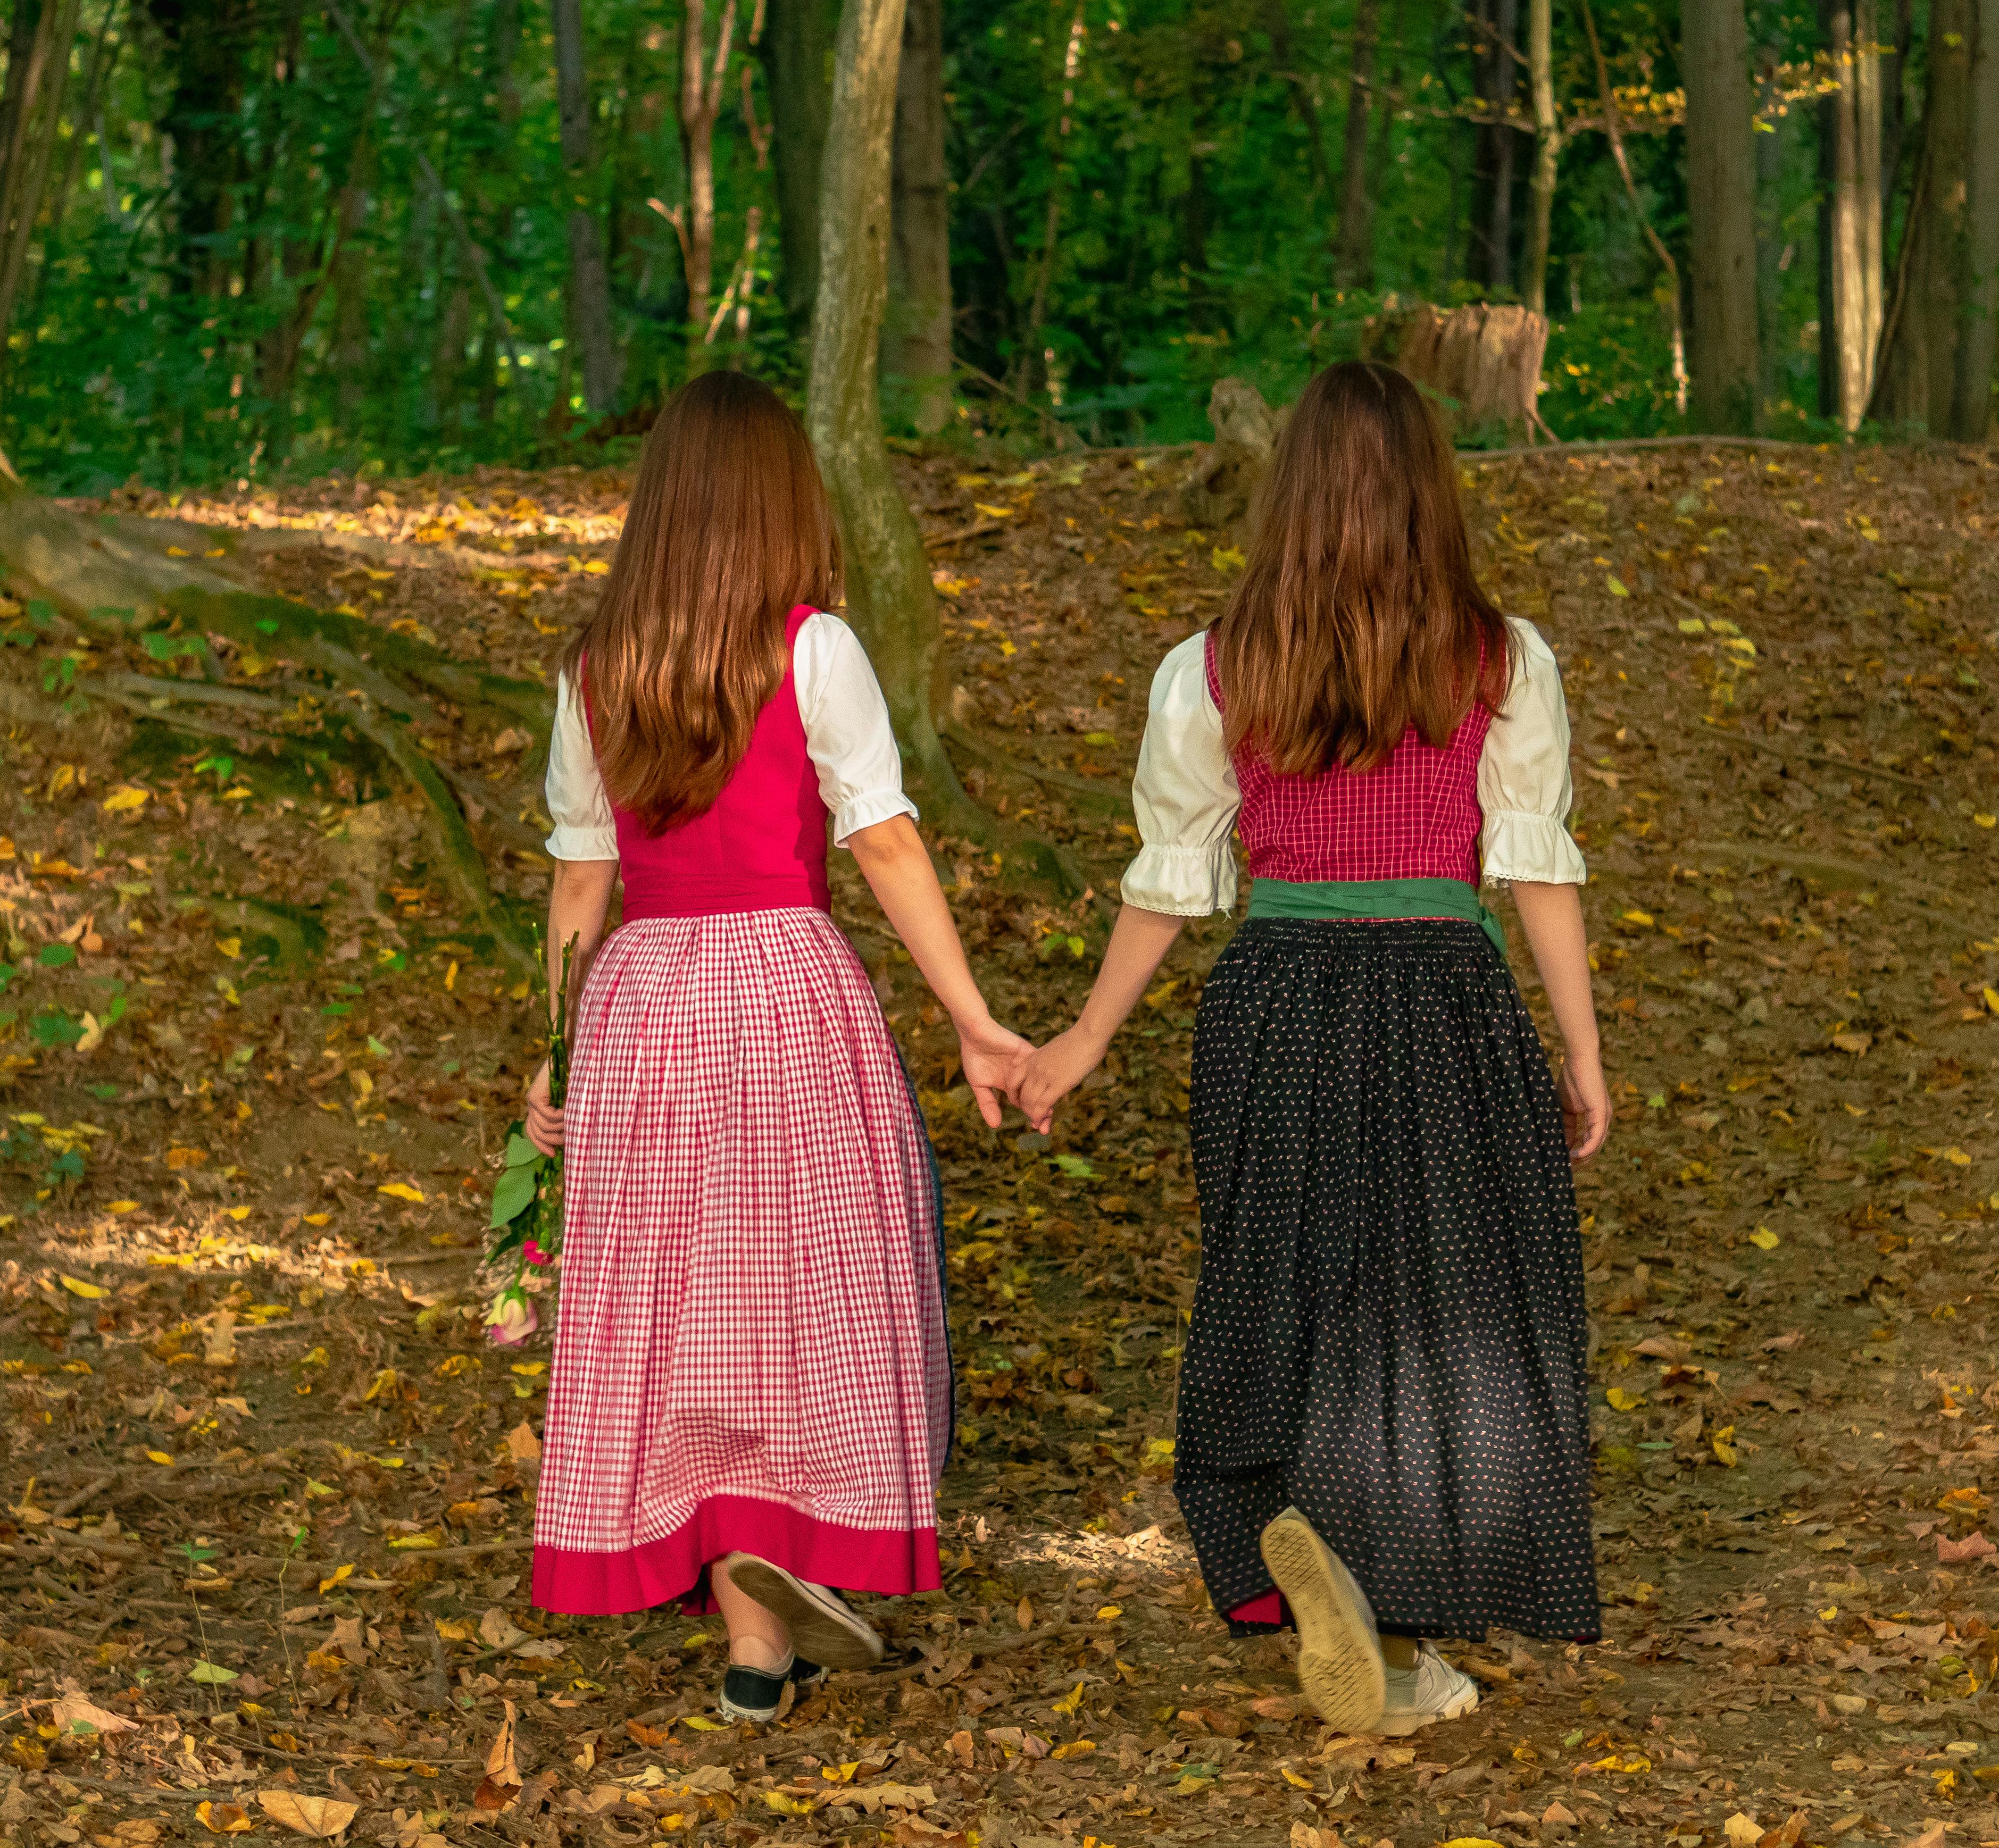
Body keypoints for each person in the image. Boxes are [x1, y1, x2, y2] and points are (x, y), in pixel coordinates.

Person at [1014, 360, 1611, 1738]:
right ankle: (1398, 1592)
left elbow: (1169, 875)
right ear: (1429, 494)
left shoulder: (1219, 663)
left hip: (1275, 994)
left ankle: (1291, 1545)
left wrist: (1084, 1038)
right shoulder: (1496, 658)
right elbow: (1535, 873)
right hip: (1438, 988)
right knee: (1438, 1292)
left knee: (1286, 1280)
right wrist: (1579, 1048)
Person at [520, 370, 1033, 1725]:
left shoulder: (592, 668)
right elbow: (882, 839)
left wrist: (555, 1055)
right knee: (801, 1284)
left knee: (682, 1301)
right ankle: (773, 1585)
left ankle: (755, 1632)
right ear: (778, 499)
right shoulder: (811, 649)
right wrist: (973, 1017)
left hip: (640, 1005)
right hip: (780, 989)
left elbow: (580, 886)